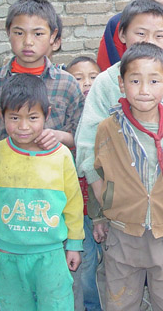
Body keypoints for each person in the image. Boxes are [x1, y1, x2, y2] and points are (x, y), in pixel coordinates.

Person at [75, 0, 163, 311]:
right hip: (122, 217)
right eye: (140, 34)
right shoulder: (109, 82)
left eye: (159, 36)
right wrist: (103, 194)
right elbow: (88, 144)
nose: (149, 42)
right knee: (121, 295)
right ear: (122, 35)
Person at [92, 43, 163, 311]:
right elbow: (99, 170)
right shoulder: (108, 128)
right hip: (122, 233)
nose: (144, 90)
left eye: (154, 80)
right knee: (121, 303)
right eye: (135, 80)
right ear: (121, 84)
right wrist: (99, 214)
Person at [0, 74, 84, 311]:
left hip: (51, 255)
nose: (23, 127)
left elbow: (73, 204)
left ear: (47, 113)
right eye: (14, 118)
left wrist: (74, 243)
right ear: (1, 114)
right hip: (8, 255)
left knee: (56, 305)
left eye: (33, 117)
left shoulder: (61, 155)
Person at [0, 0, 84, 180]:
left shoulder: (67, 84)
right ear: (8, 32)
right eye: (19, 33)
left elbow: (81, 135)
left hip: (51, 184)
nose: (28, 42)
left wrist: (59, 136)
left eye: (38, 34)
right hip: (3, 183)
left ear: (53, 36)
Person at [65, 56, 103, 311]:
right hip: (74, 210)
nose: (86, 83)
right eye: (78, 79)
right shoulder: (68, 116)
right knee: (86, 259)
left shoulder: (104, 115)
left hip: (99, 205)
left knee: (105, 260)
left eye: (92, 77)